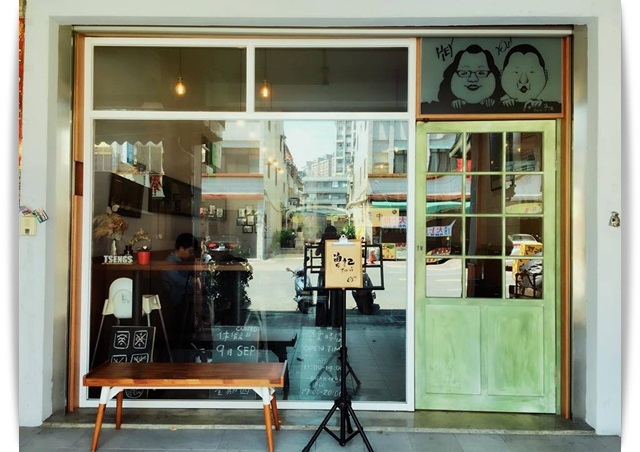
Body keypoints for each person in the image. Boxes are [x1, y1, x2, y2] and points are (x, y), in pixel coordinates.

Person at [161, 232, 200, 307]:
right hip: (176, 298)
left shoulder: (184, 260)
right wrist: (192, 281)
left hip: (186, 295)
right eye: (190, 251)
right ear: (181, 248)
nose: (192, 254)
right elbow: (179, 281)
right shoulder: (169, 261)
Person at [315, 225, 339, 326]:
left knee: (322, 297)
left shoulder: (324, 242)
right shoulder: (337, 241)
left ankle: (322, 320)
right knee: (336, 297)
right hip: (336, 271)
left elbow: (316, 253)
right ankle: (336, 319)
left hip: (324, 271)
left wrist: (322, 241)